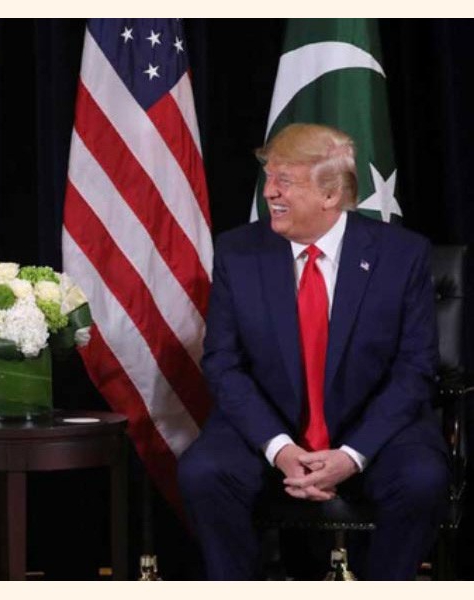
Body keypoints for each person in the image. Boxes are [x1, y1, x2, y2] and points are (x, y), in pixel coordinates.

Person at [178, 123, 449, 580]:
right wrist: (280, 448)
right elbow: (223, 362)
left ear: (331, 195)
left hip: (371, 427)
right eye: (269, 178)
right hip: (270, 426)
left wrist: (353, 454)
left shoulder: (402, 255)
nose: (270, 192)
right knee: (203, 472)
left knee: (422, 478)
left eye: (285, 181)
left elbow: (415, 368)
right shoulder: (238, 252)